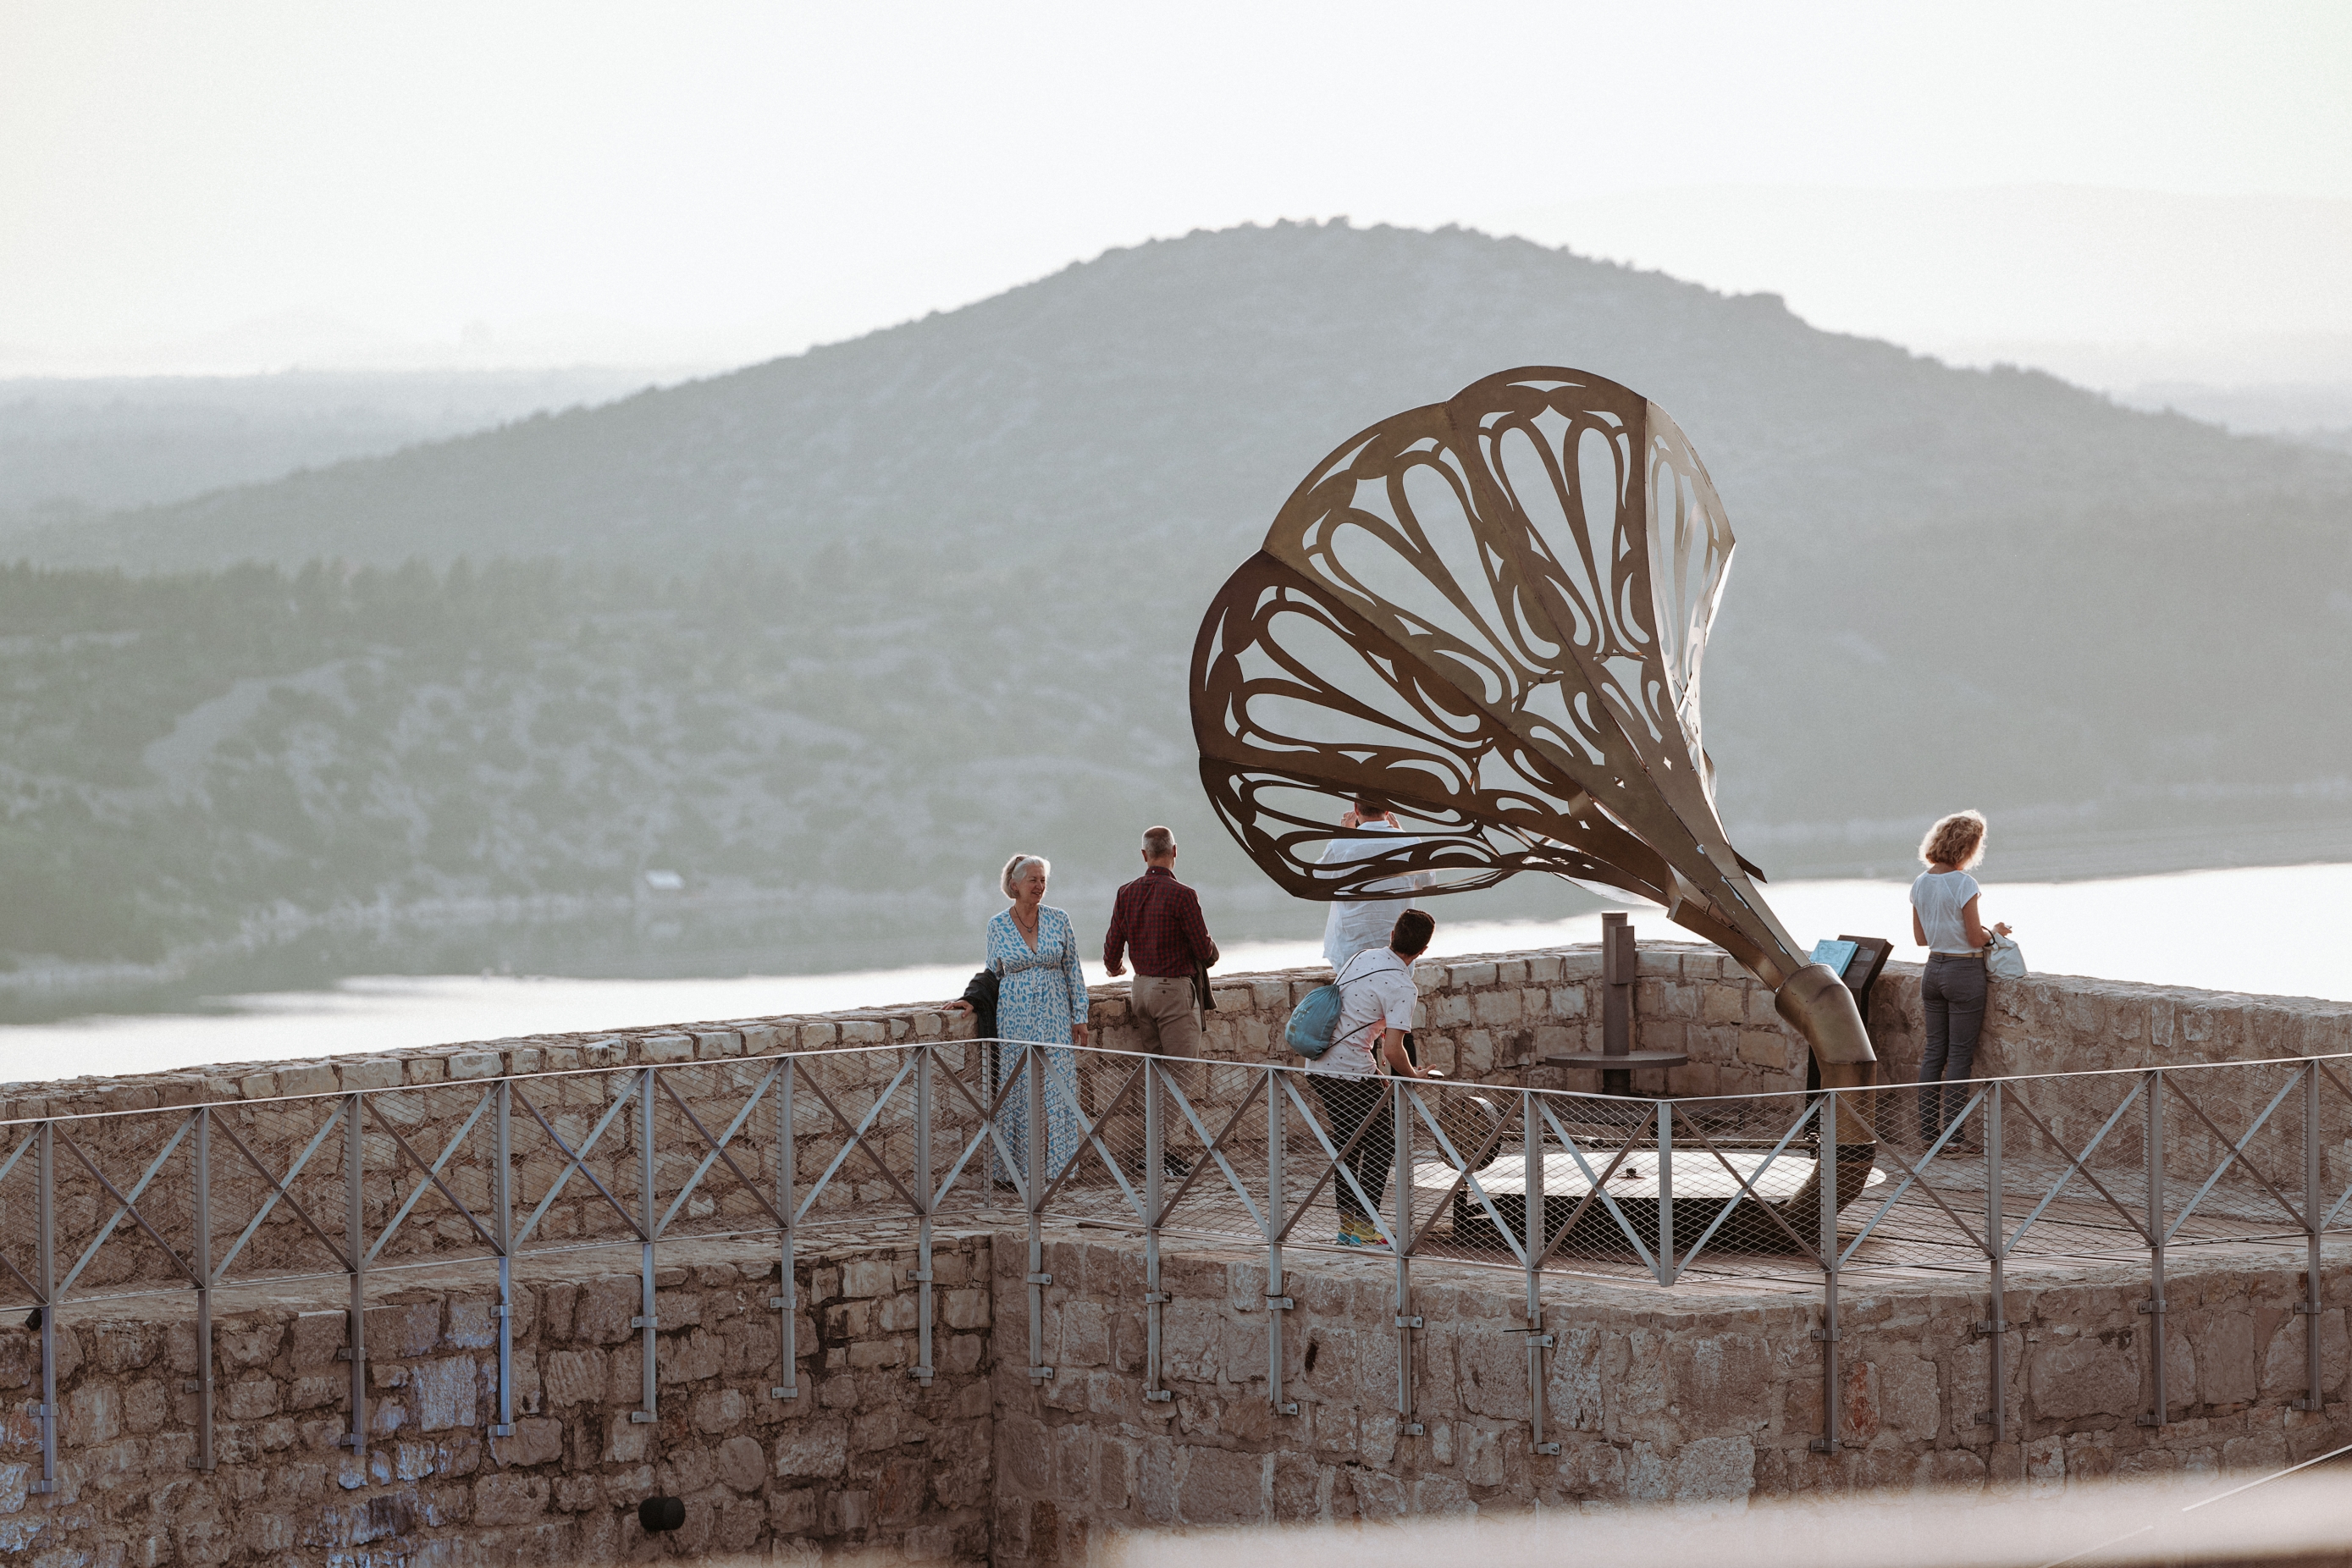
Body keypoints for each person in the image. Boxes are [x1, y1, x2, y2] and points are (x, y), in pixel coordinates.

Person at [946, 854, 1090, 1184]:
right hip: (1015, 1017)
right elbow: (991, 973)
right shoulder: (997, 925)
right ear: (1014, 885)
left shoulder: (1059, 919)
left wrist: (1079, 1015)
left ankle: (1061, 1172)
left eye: (1043, 880)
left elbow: (1073, 969)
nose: (1039, 886)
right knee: (1017, 1093)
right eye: (1033, 880)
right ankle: (1016, 1172)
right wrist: (971, 1000)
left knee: (1060, 1091)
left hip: (1055, 1015)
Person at [1306, 908, 1437, 1249]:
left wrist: (1374, 1068)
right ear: (1423, 951)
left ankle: (1348, 1227)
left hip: (1318, 1064)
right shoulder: (1403, 986)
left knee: (1348, 1143)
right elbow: (1394, 1050)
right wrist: (1414, 1076)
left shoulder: (1360, 958)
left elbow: (1351, 1013)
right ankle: (1364, 1227)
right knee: (1381, 1144)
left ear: (1392, 936)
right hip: (1350, 1071)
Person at [1101, 825, 1218, 1178]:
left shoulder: (1126, 893)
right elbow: (1203, 951)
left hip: (1140, 991)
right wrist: (1212, 952)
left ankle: (1157, 1153)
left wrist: (1115, 967)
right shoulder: (1183, 895)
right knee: (1179, 1075)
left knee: (1158, 1074)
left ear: (1144, 855)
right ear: (1174, 852)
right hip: (1172, 993)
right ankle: (1157, 1156)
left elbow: (1112, 946)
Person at [1909, 810, 2014, 1146]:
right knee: (1959, 1056)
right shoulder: (1964, 883)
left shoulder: (1920, 882)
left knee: (1933, 1053)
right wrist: (1993, 932)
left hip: (1933, 970)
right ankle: (1953, 1139)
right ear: (1968, 847)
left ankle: (1928, 1135)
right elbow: (1974, 938)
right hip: (1964, 972)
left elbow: (1920, 938)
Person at [1317, 794, 1433, 974]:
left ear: (1356, 809)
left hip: (1350, 952)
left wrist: (1344, 835)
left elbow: (1317, 878)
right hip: (1398, 952)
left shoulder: (1341, 844)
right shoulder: (1410, 842)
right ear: (1387, 810)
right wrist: (1402, 833)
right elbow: (1428, 883)